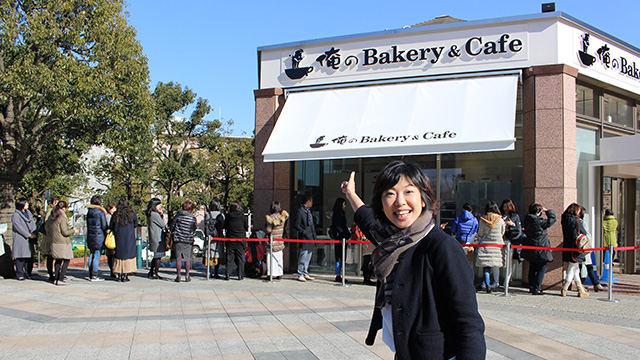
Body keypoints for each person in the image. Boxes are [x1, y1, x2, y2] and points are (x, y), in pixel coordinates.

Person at [341, 161, 486, 358]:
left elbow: (469, 323)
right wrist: (350, 194)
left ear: (423, 199)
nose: (400, 201)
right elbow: (366, 219)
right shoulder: (392, 240)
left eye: (408, 192)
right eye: (390, 193)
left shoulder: (441, 247)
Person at [522, 203, 556, 295]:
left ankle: (531, 287)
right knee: (541, 268)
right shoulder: (540, 221)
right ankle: (536, 289)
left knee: (532, 268)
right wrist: (548, 211)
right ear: (538, 212)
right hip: (541, 247)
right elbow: (552, 220)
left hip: (531, 247)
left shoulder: (527, 220)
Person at [475, 201, 505, 294]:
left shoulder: (483, 219)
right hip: (496, 245)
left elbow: (480, 233)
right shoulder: (500, 220)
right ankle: (487, 283)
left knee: (486, 266)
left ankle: (486, 284)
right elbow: (502, 232)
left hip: (485, 244)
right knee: (492, 265)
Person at [45, 200, 78, 285]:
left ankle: (56, 278)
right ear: (63, 208)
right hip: (62, 242)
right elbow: (65, 232)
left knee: (58, 260)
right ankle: (61, 277)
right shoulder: (62, 218)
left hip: (54, 241)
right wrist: (73, 230)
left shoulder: (51, 218)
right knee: (66, 260)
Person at [561, 203, 589, 298]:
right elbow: (583, 232)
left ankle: (580, 289)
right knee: (572, 268)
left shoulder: (565, 219)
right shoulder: (576, 220)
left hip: (567, 245)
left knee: (575, 269)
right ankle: (565, 288)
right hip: (576, 247)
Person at [110, 198, 138, 282]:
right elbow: (136, 224)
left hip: (118, 237)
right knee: (127, 256)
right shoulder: (131, 214)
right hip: (129, 238)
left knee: (119, 256)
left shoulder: (116, 214)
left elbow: (111, 226)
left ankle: (119, 275)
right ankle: (125, 275)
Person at [169, 200, 197, 282]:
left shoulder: (178, 216)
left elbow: (172, 226)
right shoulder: (192, 218)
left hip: (178, 239)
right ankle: (187, 276)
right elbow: (194, 228)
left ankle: (178, 276)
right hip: (188, 240)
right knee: (187, 258)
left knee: (178, 259)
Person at [579, 206, 604, 292]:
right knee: (583, 266)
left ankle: (595, 283)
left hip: (583, 247)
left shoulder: (580, 222)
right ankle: (592, 283)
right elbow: (587, 235)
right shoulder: (581, 223)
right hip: (583, 247)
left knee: (586, 266)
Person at [12, 199, 37, 280]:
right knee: (20, 257)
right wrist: (28, 234)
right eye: (25, 203)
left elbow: (32, 222)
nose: (27, 204)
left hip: (30, 238)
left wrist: (34, 232)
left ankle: (28, 273)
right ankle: (19, 274)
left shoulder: (28, 213)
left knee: (29, 258)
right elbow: (18, 227)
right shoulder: (16, 215)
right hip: (21, 238)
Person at [501, 199, 523, 287]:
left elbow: (518, 231)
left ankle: (506, 281)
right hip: (500, 241)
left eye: (507, 206)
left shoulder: (515, 216)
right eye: (504, 206)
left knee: (508, 262)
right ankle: (496, 280)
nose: (505, 208)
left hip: (509, 242)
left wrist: (512, 225)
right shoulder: (500, 216)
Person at [295, 195, 317, 282]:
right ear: (308, 201)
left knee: (308, 255)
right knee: (303, 255)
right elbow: (296, 225)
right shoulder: (300, 212)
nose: (312, 203)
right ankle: (300, 273)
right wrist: (303, 232)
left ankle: (305, 272)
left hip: (311, 236)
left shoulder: (309, 212)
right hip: (304, 237)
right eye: (311, 201)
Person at [224, 201, 248, 281]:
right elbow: (246, 227)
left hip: (230, 239)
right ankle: (240, 275)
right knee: (240, 258)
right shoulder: (242, 216)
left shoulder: (228, 216)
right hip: (240, 239)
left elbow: (225, 226)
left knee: (229, 258)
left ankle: (228, 274)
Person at [264, 201, 288, 280]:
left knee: (270, 257)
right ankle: (279, 273)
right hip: (280, 239)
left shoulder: (270, 218)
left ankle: (271, 273)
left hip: (272, 240)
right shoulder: (282, 217)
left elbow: (268, 230)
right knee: (279, 257)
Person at [86, 195, 108, 281]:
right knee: (97, 254)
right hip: (99, 236)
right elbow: (104, 225)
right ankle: (95, 274)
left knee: (92, 254)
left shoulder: (89, 212)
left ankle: (90, 273)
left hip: (90, 235)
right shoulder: (100, 212)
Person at [39, 198, 59, 282]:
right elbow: (47, 224)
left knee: (55, 257)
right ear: (52, 204)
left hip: (54, 238)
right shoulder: (50, 211)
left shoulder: (58, 212)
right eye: (56, 203)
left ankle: (56, 274)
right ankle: (51, 274)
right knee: (50, 257)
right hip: (50, 238)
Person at [330, 198, 351, 283]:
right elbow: (340, 226)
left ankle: (340, 274)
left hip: (342, 237)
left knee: (341, 257)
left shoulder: (339, 213)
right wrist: (347, 234)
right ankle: (338, 275)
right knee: (339, 256)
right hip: (340, 238)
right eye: (344, 204)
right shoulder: (338, 214)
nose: (345, 206)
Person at [146, 198, 167, 279]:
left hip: (153, 236)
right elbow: (162, 224)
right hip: (157, 237)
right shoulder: (154, 214)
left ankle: (151, 272)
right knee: (158, 255)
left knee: (156, 256)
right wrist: (161, 215)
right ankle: (155, 272)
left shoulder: (150, 213)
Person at [204, 200, 225, 279]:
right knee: (217, 254)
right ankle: (216, 272)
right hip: (218, 237)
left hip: (209, 237)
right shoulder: (220, 215)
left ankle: (209, 272)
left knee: (209, 254)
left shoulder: (207, 214)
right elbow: (223, 225)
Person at [105, 203, 117, 278]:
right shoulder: (108, 217)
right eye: (113, 209)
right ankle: (112, 270)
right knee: (111, 255)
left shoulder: (108, 216)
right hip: (111, 236)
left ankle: (112, 270)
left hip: (109, 236)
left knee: (111, 255)